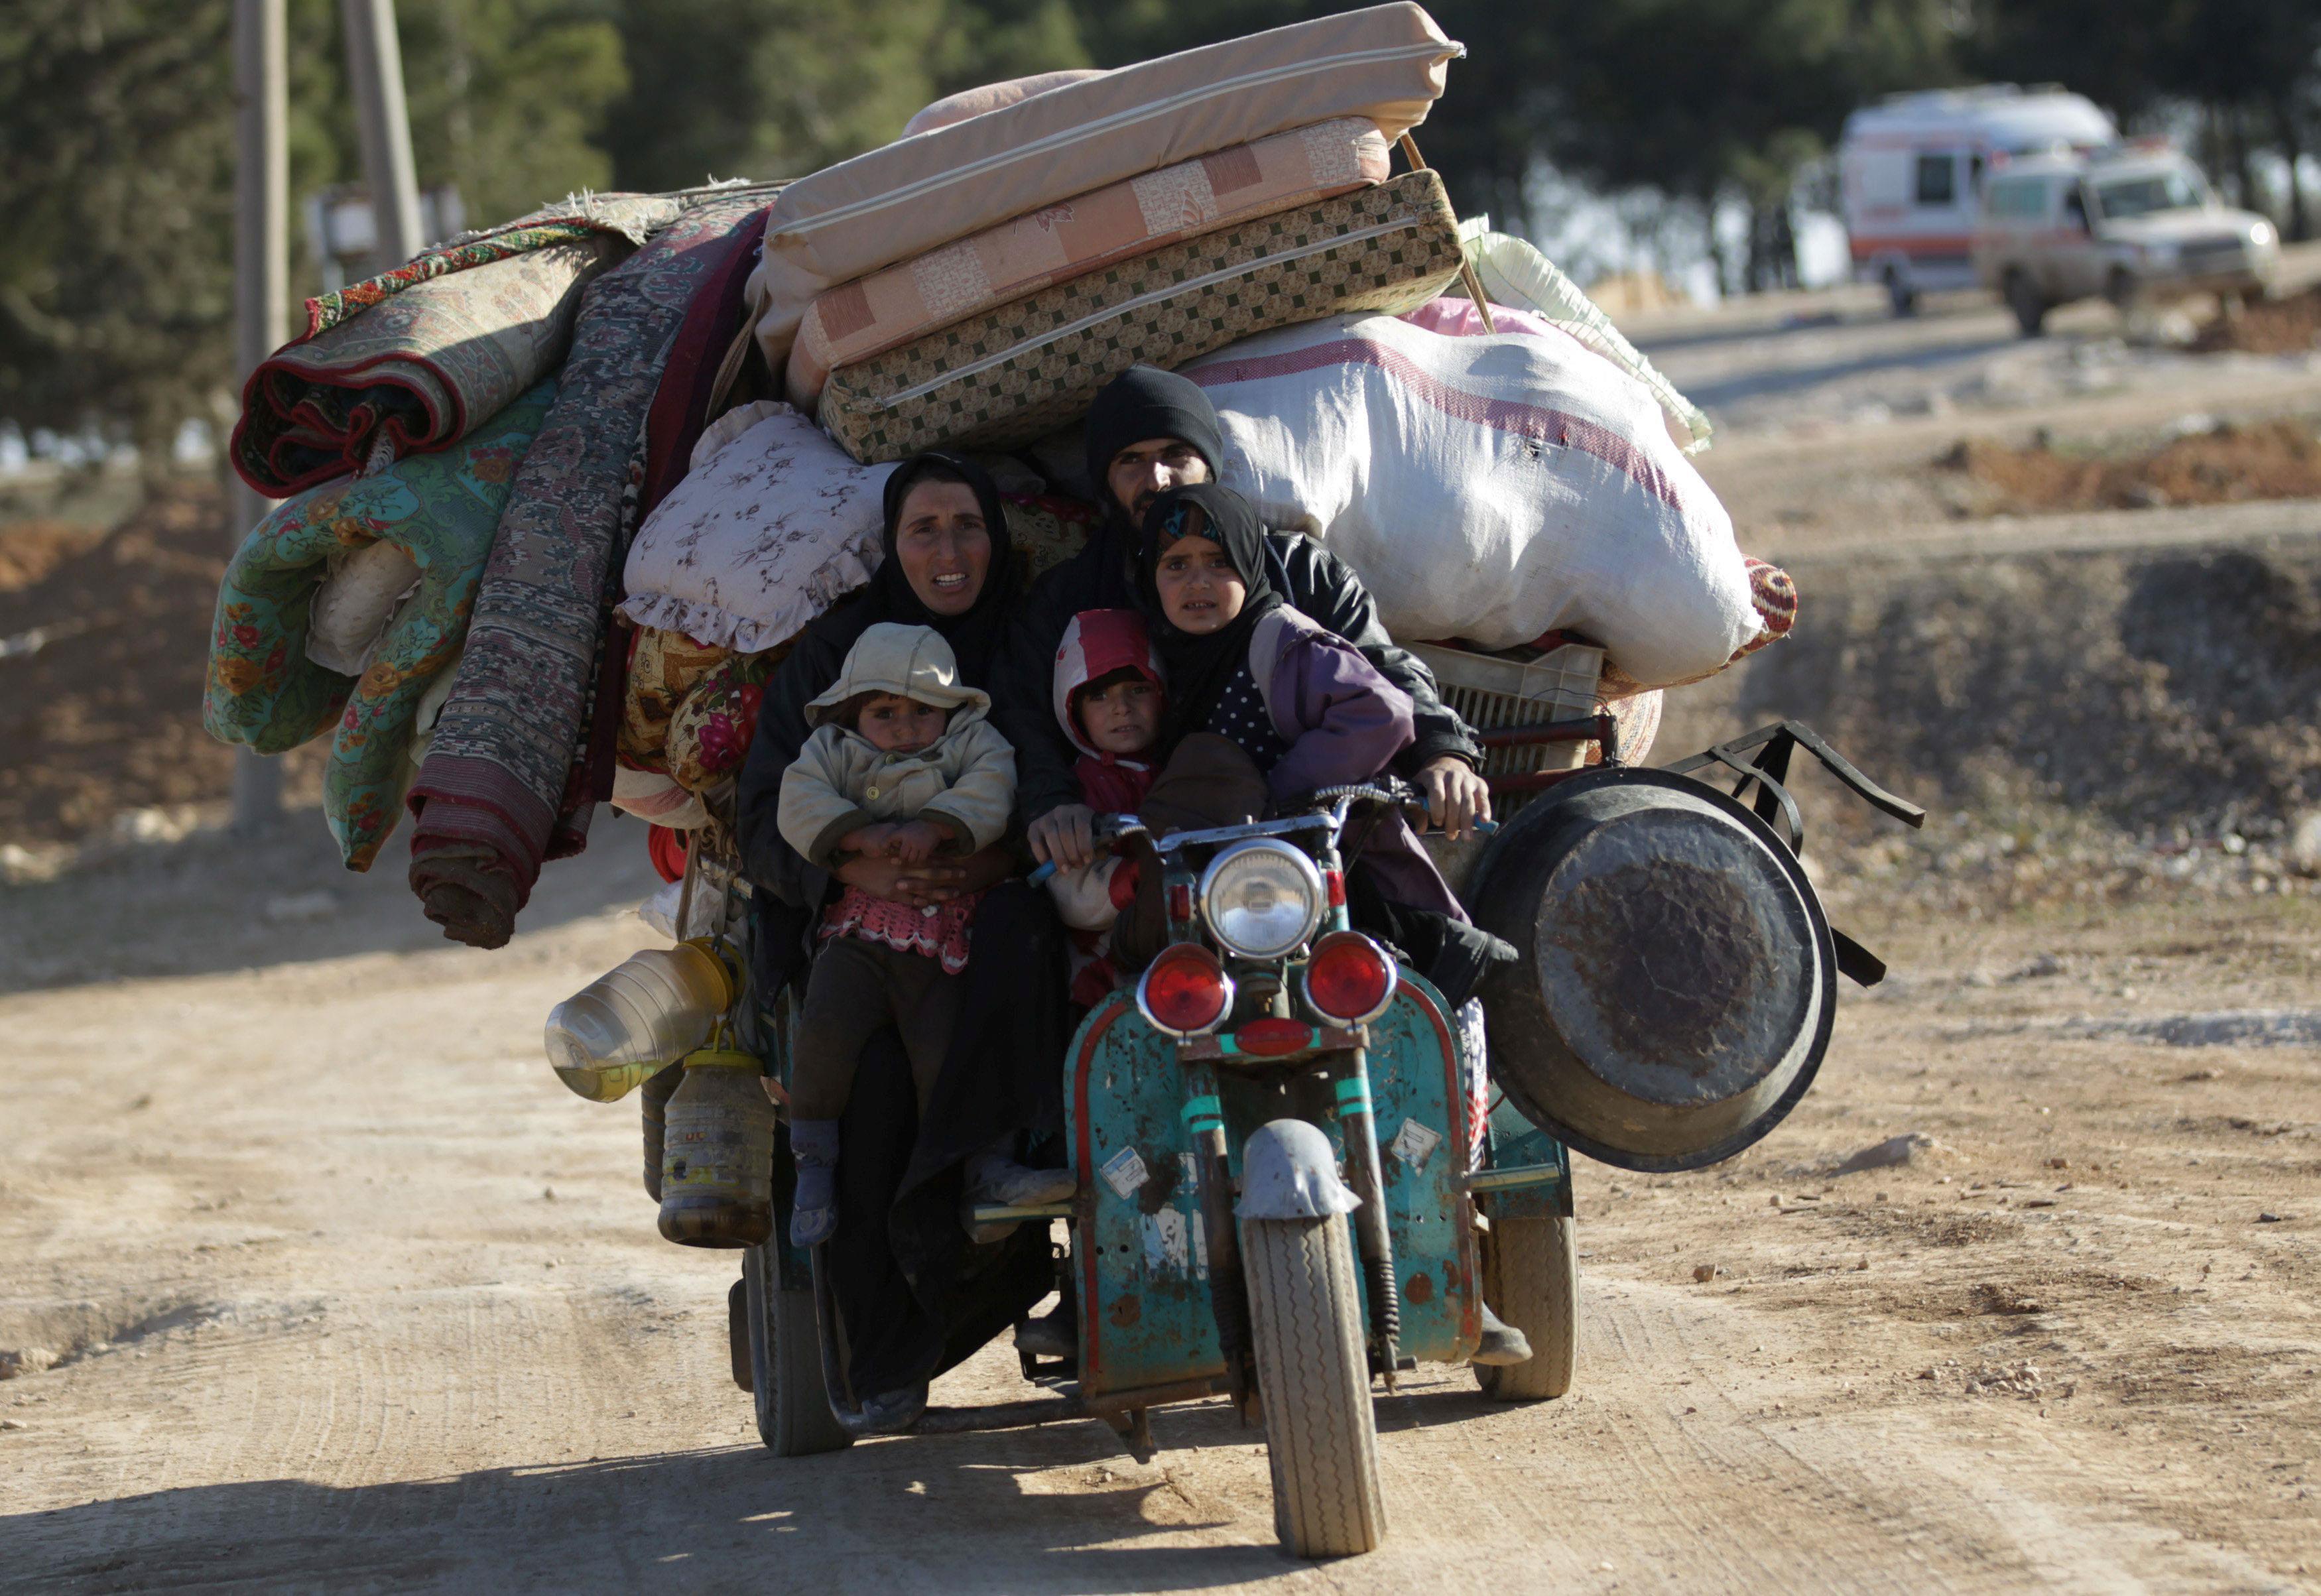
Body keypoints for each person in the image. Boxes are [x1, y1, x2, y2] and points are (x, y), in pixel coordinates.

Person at [736, 452, 1068, 1433]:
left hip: (1003, 919)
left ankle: (1070, 1281)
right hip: (859, 930)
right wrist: (851, 867)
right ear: (891, 540)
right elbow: (762, 808)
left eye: (967, 523)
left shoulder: (1028, 631)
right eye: (923, 528)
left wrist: (988, 862)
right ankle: (885, 1349)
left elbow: (1063, 762)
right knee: (870, 1086)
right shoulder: (837, 649)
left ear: (998, 534)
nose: (949, 550)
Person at [991, 364, 1493, 887]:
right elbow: (1022, 711)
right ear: (1105, 481)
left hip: (1302, 839)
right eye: (1131, 461)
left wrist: (1444, 752)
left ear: (1209, 465)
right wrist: (1054, 802)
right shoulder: (1069, 597)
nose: (1157, 479)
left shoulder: (1298, 569)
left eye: (1175, 455)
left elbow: (1381, 669)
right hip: (1139, 848)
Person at [1115, 483, 1479, 980]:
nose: (1196, 581)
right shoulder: (1166, 660)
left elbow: (1382, 711)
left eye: (1219, 562)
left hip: (1325, 870)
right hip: (1236, 888)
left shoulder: (1279, 639)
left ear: (1249, 564)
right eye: (1175, 564)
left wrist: (1281, 795)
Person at [775, 622, 1017, 1247]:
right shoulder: (833, 749)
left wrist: (938, 826)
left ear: (951, 709)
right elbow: (797, 800)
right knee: (824, 1032)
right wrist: (860, 836)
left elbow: (995, 783)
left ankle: (966, 1179)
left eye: (922, 710)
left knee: (941, 1058)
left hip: (943, 943)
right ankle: (814, 1161)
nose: (906, 727)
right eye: (886, 712)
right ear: (856, 712)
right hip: (859, 933)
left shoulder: (970, 741)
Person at [1043, 609, 1166, 1007]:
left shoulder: (1177, 770)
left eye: (1138, 689)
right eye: (1099, 696)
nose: (1122, 708)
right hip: (1100, 966)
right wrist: (1136, 878)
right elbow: (1069, 892)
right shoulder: (1076, 790)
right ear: (1072, 708)